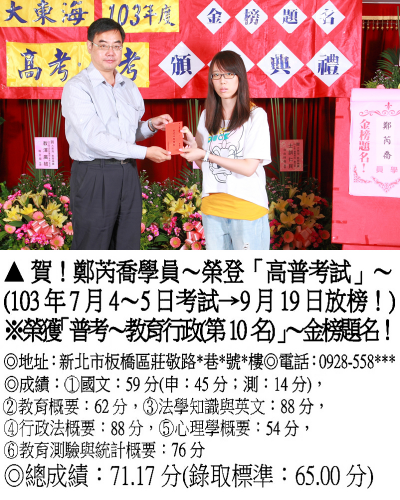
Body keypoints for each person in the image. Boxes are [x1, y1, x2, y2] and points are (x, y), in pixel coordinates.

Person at [61, 18, 172, 250]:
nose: (110, 52)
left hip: (127, 172)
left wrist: (151, 126)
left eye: (116, 45)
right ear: (89, 46)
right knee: (92, 245)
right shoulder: (77, 87)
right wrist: (145, 152)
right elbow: (95, 139)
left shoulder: (128, 86)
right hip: (94, 174)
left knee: (127, 243)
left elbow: (128, 134)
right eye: (103, 45)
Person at [180, 50, 271, 250]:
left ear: (240, 77)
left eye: (229, 74)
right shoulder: (207, 115)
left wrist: (206, 154)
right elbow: (205, 164)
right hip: (213, 209)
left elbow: (249, 168)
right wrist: (193, 149)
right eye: (217, 75)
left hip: (246, 207)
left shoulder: (256, 116)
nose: (223, 81)